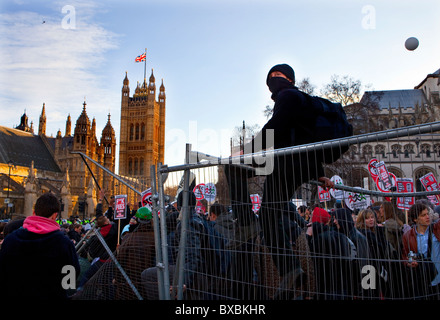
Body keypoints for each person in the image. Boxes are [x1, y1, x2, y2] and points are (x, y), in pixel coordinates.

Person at [225, 63, 334, 284]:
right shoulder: (301, 101)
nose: (274, 79)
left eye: (279, 75)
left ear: (290, 79)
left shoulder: (289, 96)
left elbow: (275, 128)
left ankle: (245, 222)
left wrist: (250, 149)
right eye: (271, 77)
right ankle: (290, 271)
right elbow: (304, 137)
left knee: (233, 166)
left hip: (284, 162)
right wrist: (319, 173)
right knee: (268, 216)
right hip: (296, 165)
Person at [0, 193, 80, 299]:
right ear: (55, 215)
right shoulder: (64, 243)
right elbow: (70, 281)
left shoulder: (11, 240)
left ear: (34, 213)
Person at [306, 207, 352, 299]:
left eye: (312, 216)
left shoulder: (317, 239)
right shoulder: (339, 235)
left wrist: (307, 237)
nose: (334, 221)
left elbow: (309, 261)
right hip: (341, 286)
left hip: (326, 288)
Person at [402, 202, 440, 299]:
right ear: (415, 219)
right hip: (422, 278)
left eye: (428, 214)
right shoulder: (407, 236)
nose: (427, 217)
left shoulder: (436, 229)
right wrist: (410, 263)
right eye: (423, 215)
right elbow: (405, 256)